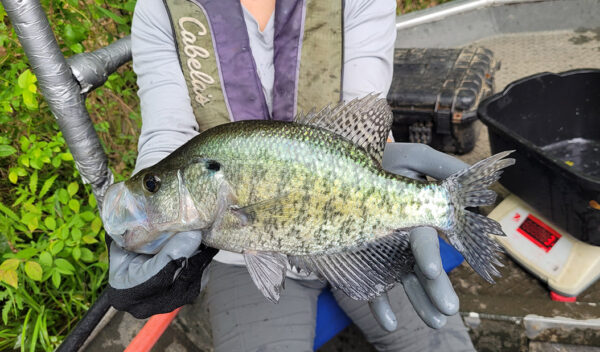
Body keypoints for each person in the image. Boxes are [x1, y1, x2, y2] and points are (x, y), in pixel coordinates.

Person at [105, 0, 476, 350]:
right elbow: (167, 135)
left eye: (152, 187)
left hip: (362, 242)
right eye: (153, 187)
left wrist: (404, 199)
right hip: (239, 262)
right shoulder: (160, 7)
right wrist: (149, 217)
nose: (152, 190)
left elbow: (364, 113)